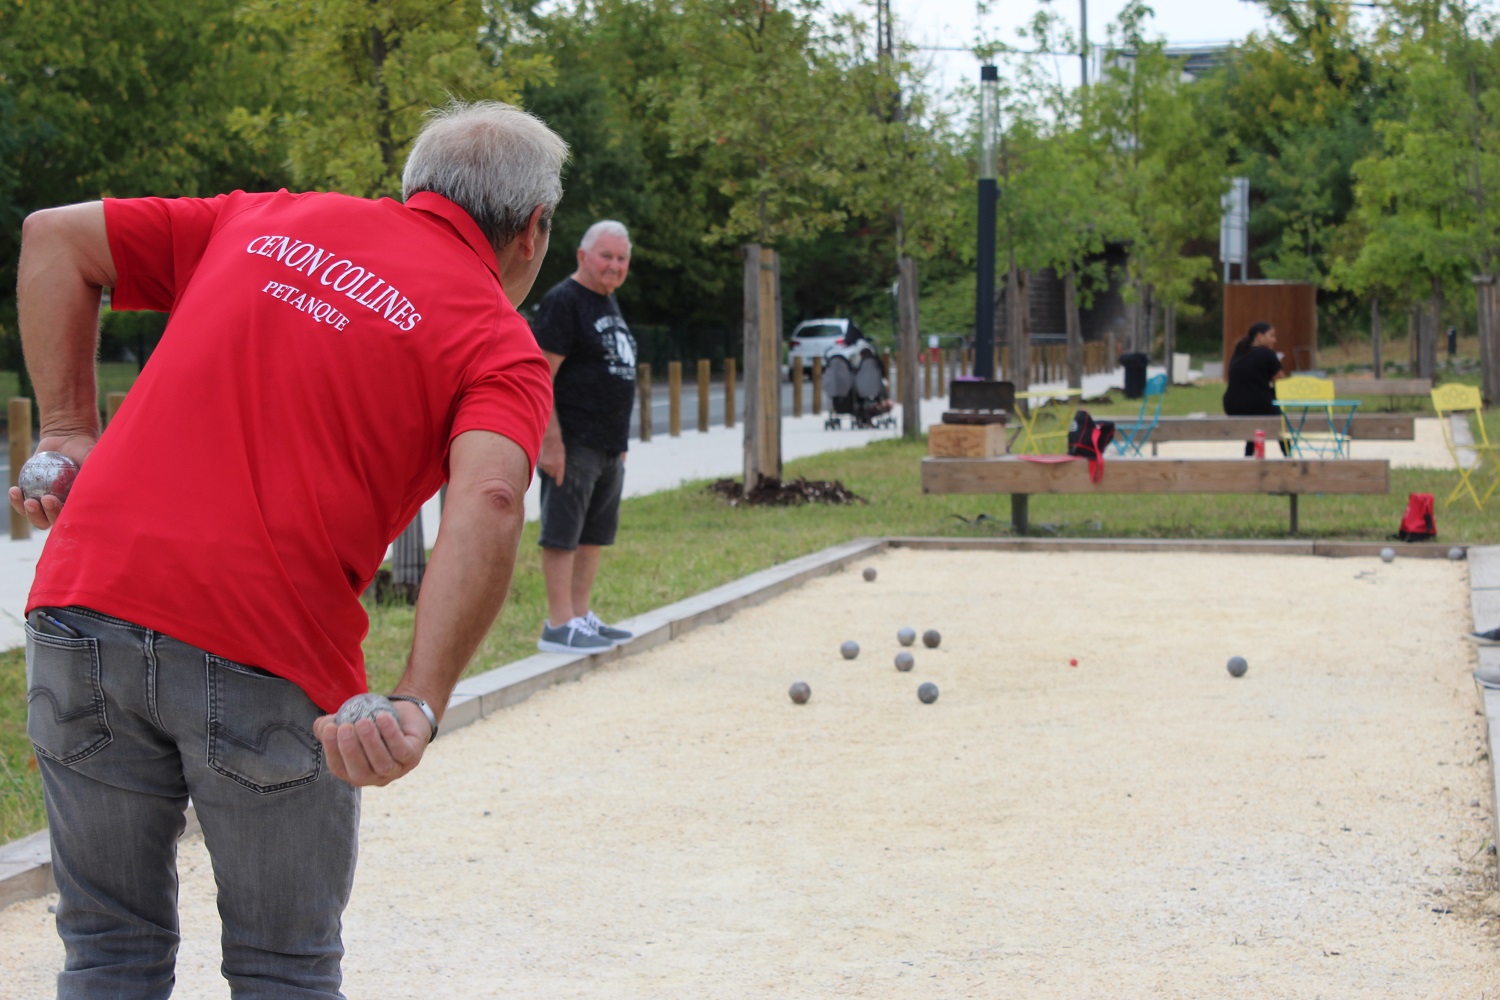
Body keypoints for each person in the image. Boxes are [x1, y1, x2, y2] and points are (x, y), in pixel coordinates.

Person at [10, 100, 567, 997]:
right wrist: (418, 701)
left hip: (84, 608)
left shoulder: (265, 218)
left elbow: (54, 240)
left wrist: (71, 429)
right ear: (533, 232)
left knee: (109, 949)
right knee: (282, 966)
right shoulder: (498, 344)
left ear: (415, 187)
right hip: (265, 648)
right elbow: (494, 496)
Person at [531, 220, 638, 654]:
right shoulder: (564, 301)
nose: (614, 265)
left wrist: (621, 442)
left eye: (621, 259)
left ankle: (579, 614)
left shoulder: (607, 302)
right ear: (582, 256)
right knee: (563, 532)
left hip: (608, 444)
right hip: (573, 441)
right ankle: (558, 624)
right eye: (606, 256)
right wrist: (549, 442)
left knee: (593, 533)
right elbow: (541, 375)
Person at [1222, 320, 1288, 457]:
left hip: (1232, 404)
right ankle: (1290, 455)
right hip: (1257, 403)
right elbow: (1281, 381)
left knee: (1255, 423)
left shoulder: (1239, 352)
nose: (1274, 340)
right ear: (1259, 336)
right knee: (1280, 426)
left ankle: (1248, 455)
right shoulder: (1267, 354)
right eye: (1271, 336)